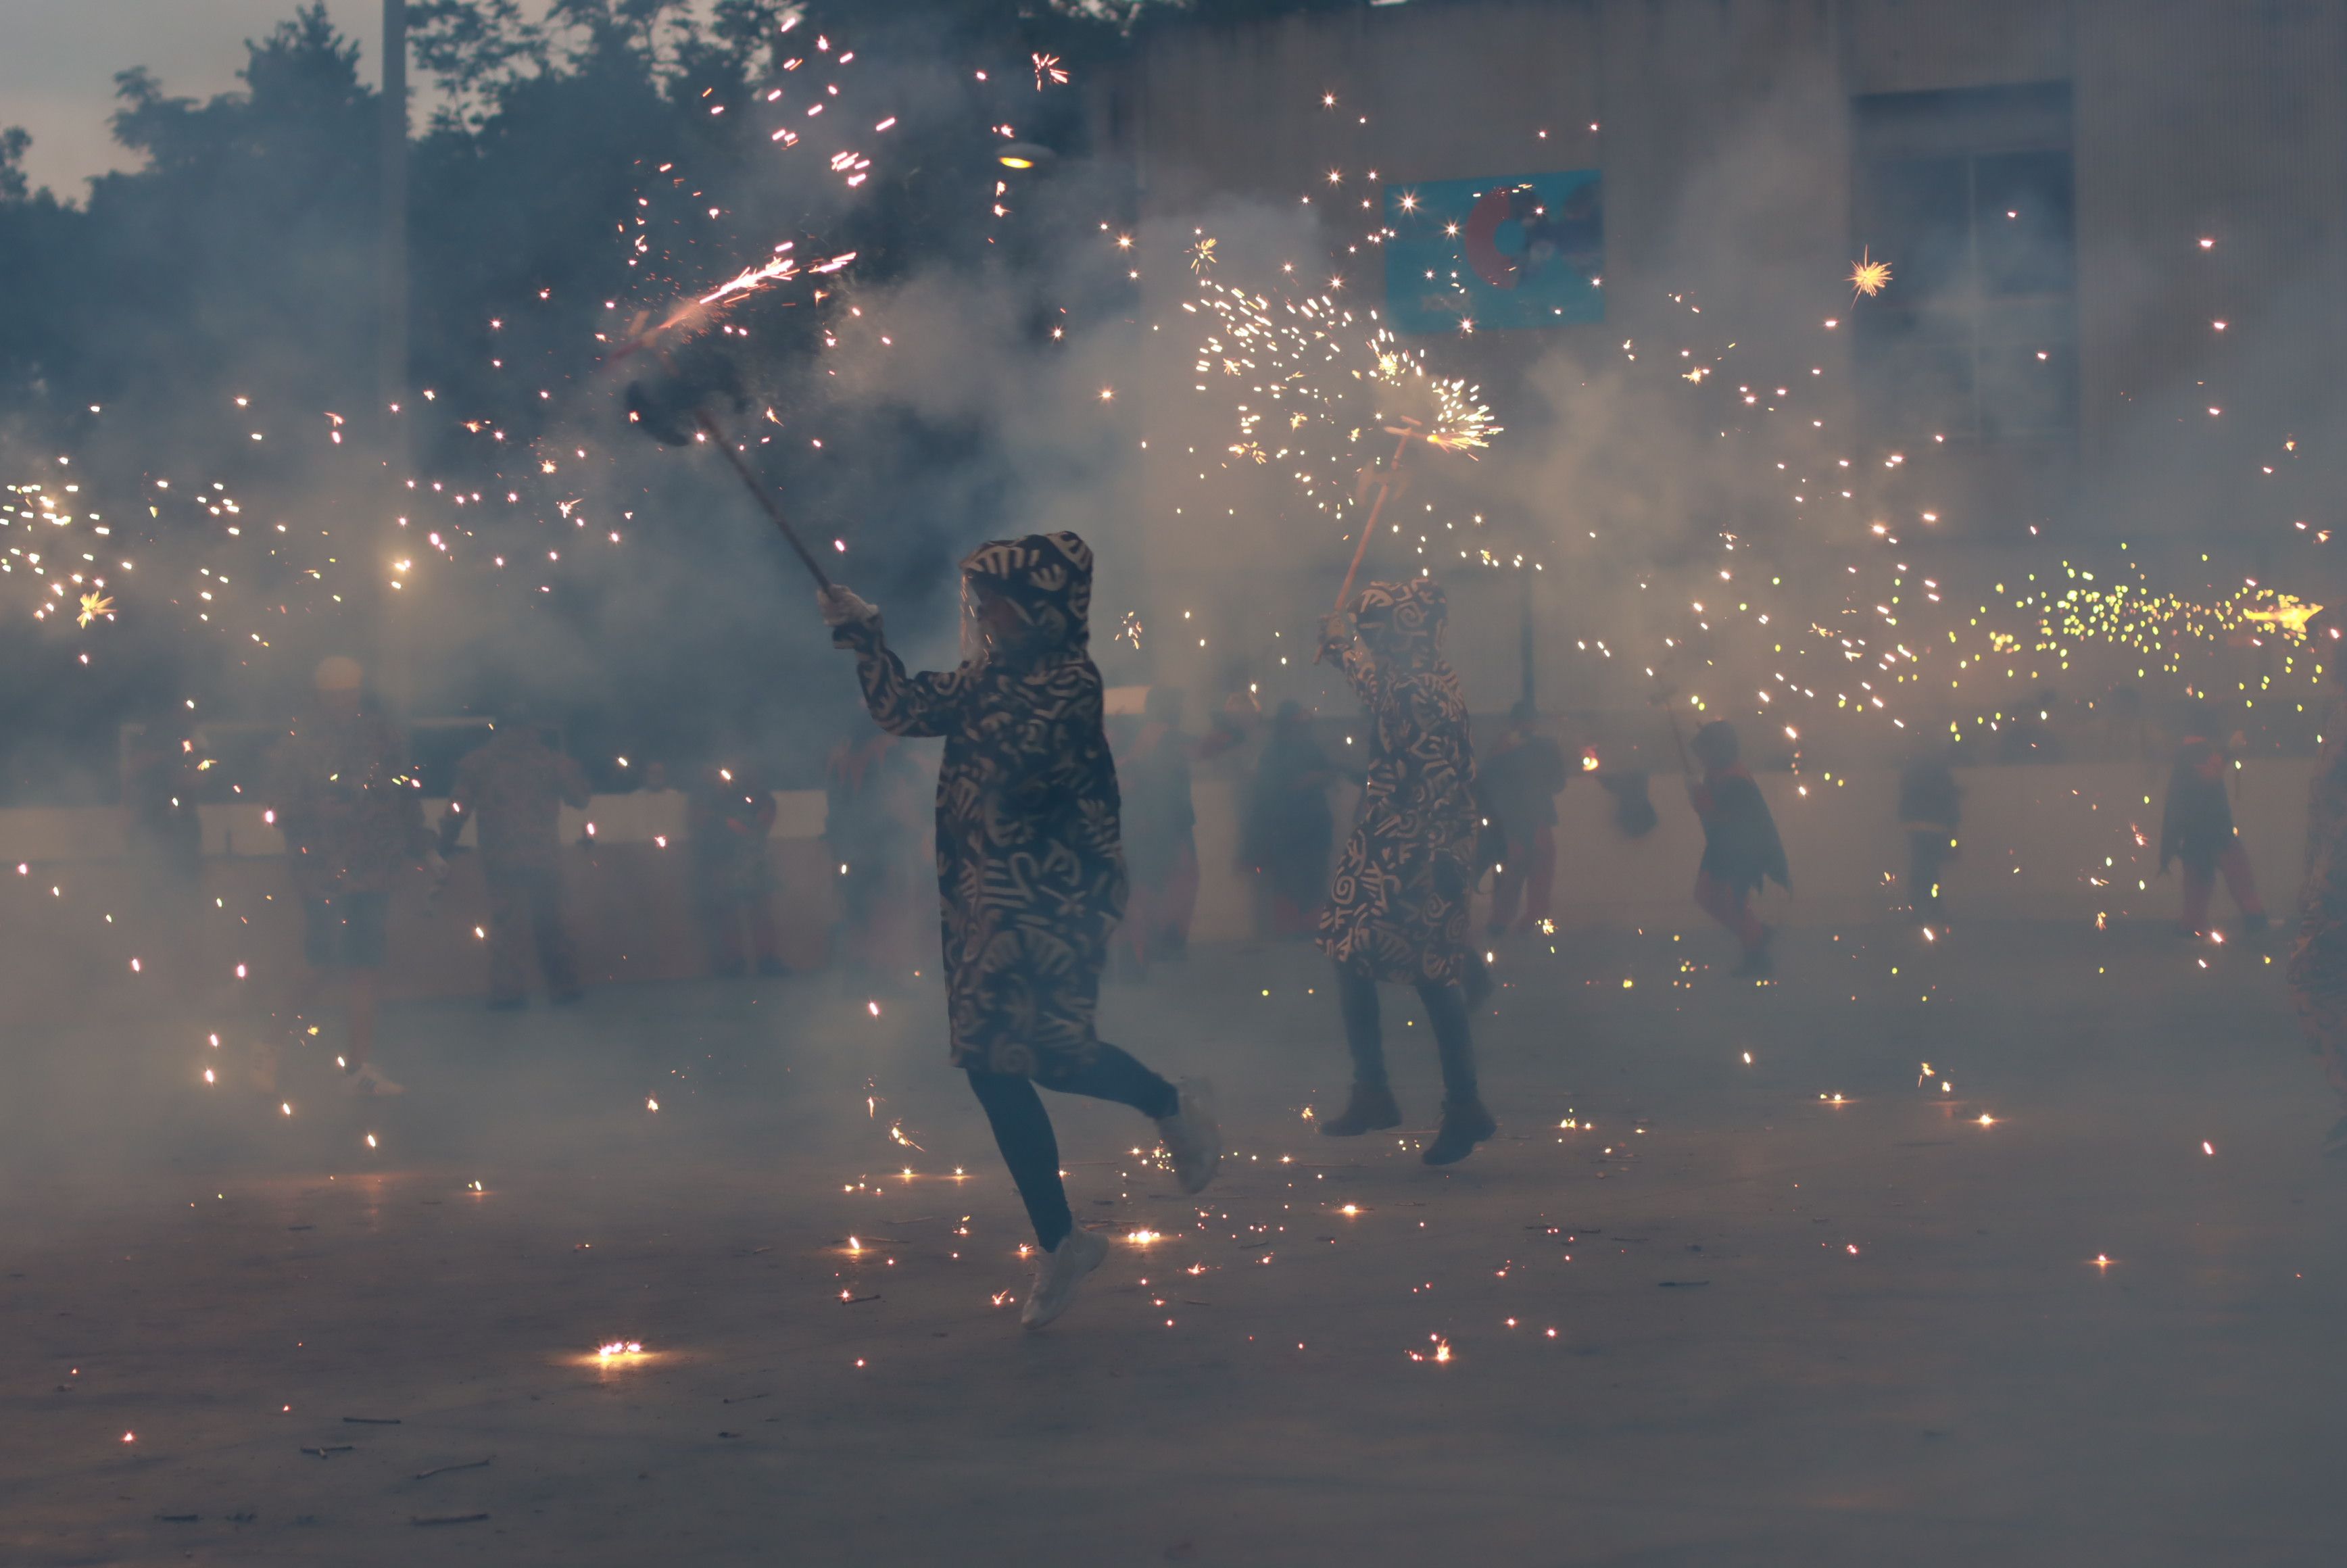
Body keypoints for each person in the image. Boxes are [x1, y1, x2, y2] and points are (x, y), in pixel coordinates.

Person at [820, 531, 1219, 1330]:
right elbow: (904, 709)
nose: (982, 613)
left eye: (993, 600)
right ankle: (1062, 1240)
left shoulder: (1066, 680)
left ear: (1037, 606)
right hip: (978, 900)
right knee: (989, 1063)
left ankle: (1167, 1101)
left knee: (1054, 1056)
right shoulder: (989, 673)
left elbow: (1002, 744)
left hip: (1052, 898)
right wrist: (869, 642)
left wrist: (911, 665)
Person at [1313, 578, 1497, 1165]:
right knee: (1368, 957)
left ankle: (1434, 1100)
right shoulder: (1426, 677)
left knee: (1427, 973)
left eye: (1374, 633)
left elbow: (1443, 781)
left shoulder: (1418, 689)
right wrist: (1344, 650)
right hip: (1401, 845)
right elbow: (1377, 689)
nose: (1373, 642)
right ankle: (1392, 1092)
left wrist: (1444, 864)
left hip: (1413, 849)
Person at [262, 656, 436, 1096]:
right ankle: (268, 1048)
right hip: (322, 870)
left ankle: (357, 1068)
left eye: (350, 692)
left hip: (374, 868)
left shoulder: (382, 735)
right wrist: (315, 810)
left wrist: (422, 846)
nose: (344, 700)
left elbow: (404, 794)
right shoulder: (298, 741)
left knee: (365, 965)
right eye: (335, 693)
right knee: (320, 963)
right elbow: (278, 808)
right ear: (321, 695)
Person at [439, 714, 591, 1008]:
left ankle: (508, 994)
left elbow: (458, 808)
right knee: (551, 921)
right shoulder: (550, 760)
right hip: (543, 854)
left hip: (500, 855)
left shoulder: (479, 761)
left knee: (505, 923)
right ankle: (564, 988)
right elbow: (581, 798)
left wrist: (444, 844)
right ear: (532, 728)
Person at [2287, 713, 2347, 1155]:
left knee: (2312, 975)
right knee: (2312, 977)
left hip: (2336, 885)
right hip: (2332, 885)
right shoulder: (2337, 724)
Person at [1687, 720, 1789, 977]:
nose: (1701, 757)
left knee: (1729, 900)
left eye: (1705, 751)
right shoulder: (1718, 772)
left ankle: (1756, 951)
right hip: (1725, 845)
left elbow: (1732, 819)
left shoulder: (1736, 779)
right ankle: (1756, 936)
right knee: (1711, 896)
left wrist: (1703, 803)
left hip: (1743, 848)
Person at [825, 729, 927, 981]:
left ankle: (886, 971)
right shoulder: (847, 765)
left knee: (887, 906)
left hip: (888, 846)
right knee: (860, 908)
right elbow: (839, 807)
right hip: (858, 847)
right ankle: (865, 971)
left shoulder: (896, 762)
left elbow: (910, 802)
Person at [1117, 685, 1201, 966]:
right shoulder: (1161, 735)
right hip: (1163, 826)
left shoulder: (1147, 737)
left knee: (1160, 887)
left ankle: (1159, 949)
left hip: (1160, 825)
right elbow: (1202, 750)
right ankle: (1161, 948)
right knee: (1166, 886)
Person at [1241, 700, 1336, 938]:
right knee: (1287, 879)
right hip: (1286, 827)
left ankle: (1312, 928)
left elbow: (1329, 773)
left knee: (1314, 877)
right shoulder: (1273, 752)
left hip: (1315, 826)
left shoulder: (1310, 747)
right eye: (1296, 721)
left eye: (1303, 722)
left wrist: (1317, 777)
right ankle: (1289, 929)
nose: (1300, 727)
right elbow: (1267, 790)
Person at [2161, 736, 2268, 937]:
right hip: (2218, 839)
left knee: (2200, 892)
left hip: (2198, 842)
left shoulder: (2183, 774)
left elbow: (2173, 817)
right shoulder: (2202, 768)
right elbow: (2212, 771)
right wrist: (2229, 750)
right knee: (2237, 885)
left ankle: (2191, 928)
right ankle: (2254, 923)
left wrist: (2169, 849)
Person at [688, 755, 785, 976]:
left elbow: (762, 821)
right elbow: (704, 821)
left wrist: (737, 825)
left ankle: (767, 960)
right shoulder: (712, 800)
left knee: (761, 912)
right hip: (725, 861)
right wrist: (726, 824)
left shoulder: (759, 797)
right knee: (728, 914)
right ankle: (734, 963)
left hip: (754, 861)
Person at [1480, 698, 1569, 937]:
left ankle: (1534, 918)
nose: (1525, 727)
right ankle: (1500, 921)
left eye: (1529, 722)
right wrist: (1498, 754)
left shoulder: (1546, 748)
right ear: (1512, 723)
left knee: (1541, 863)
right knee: (1514, 866)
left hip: (1538, 815)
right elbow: (1486, 780)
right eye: (1521, 722)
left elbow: (1558, 782)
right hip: (1510, 818)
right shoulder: (1500, 748)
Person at [1898, 748, 1962, 925]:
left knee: (1919, 868)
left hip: (1916, 826)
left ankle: (1917, 909)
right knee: (1931, 869)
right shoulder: (1941, 772)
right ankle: (1934, 908)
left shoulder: (1912, 771)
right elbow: (1950, 801)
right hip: (1935, 826)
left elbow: (1906, 798)